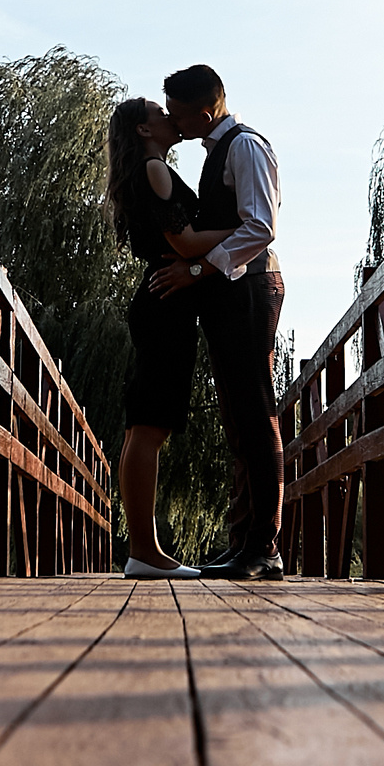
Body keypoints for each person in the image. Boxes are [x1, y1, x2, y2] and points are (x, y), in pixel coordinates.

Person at [151, 63, 286, 581]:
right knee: (239, 417)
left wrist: (197, 269)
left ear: (205, 114)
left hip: (250, 287)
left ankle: (264, 547)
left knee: (255, 411)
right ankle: (246, 543)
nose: (173, 122)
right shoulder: (218, 150)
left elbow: (261, 227)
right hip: (233, 291)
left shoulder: (245, 147)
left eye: (178, 115)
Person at [105, 95, 234, 577]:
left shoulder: (148, 170)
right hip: (166, 303)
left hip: (161, 301)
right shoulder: (155, 168)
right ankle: (144, 551)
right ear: (144, 130)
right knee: (150, 426)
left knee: (144, 425)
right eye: (160, 115)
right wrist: (243, 229)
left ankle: (144, 549)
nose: (169, 117)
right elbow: (184, 241)